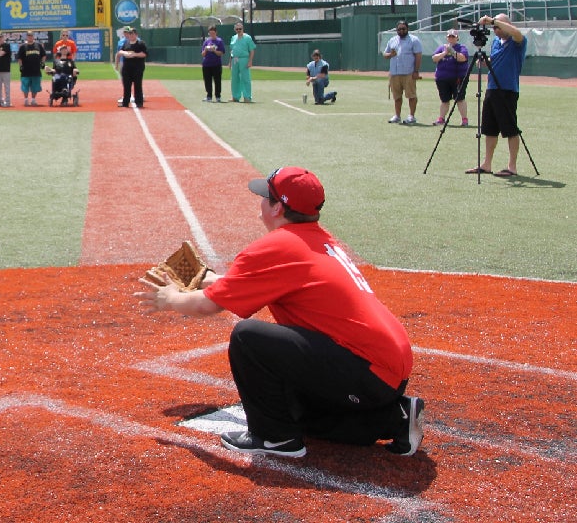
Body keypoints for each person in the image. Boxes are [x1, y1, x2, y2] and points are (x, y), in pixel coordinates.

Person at [136, 166, 423, 460]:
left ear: (277, 208)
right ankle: (395, 417)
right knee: (290, 408)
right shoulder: (318, 240)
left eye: (266, 198)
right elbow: (243, 284)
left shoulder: (277, 246)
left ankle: (276, 439)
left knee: (248, 338)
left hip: (366, 370)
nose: (261, 203)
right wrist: (205, 278)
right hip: (382, 369)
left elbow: (206, 305)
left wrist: (169, 299)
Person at [466, 14, 527, 178]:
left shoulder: (517, 41)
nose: (496, 30)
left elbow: (516, 33)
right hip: (492, 88)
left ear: (505, 24)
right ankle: (486, 164)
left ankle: (512, 166)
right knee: (489, 128)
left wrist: (493, 21)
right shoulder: (495, 42)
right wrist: (486, 62)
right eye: (494, 28)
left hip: (508, 90)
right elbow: (495, 58)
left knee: (510, 129)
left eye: (498, 27)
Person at [383, 20, 423, 124]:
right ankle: (397, 116)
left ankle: (411, 116)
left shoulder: (414, 40)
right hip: (394, 73)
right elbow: (385, 55)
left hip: (408, 73)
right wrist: (390, 54)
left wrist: (416, 71)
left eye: (403, 28)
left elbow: (418, 56)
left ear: (407, 29)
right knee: (397, 96)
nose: (401, 31)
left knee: (411, 95)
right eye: (399, 29)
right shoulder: (392, 40)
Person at [432, 29, 469, 126]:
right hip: (442, 78)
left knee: (460, 98)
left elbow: (463, 58)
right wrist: (444, 53)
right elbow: (434, 58)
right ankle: (441, 118)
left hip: (457, 78)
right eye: (449, 36)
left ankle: (464, 119)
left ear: (457, 38)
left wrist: (453, 52)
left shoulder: (461, 48)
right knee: (444, 100)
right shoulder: (441, 48)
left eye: (453, 36)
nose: (451, 38)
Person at [116, 27, 148, 108]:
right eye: (130, 34)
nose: (131, 35)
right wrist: (125, 53)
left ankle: (139, 103)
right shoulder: (126, 43)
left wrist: (135, 54)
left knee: (137, 85)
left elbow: (144, 54)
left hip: (137, 68)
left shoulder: (140, 43)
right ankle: (125, 102)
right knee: (127, 85)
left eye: (133, 33)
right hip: (127, 68)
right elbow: (120, 52)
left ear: (136, 35)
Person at [16, 31, 47, 106]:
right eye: (29, 35)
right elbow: (19, 58)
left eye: (31, 35)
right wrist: (20, 66)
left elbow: (44, 55)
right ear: (27, 37)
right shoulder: (23, 46)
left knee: (35, 86)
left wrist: (42, 62)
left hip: (36, 69)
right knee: (25, 85)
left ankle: (33, 99)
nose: (30, 37)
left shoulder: (38, 45)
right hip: (26, 70)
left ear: (34, 36)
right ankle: (26, 99)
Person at [228, 22, 256, 103]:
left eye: (240, 29)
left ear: (242, 29)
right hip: (235, 60)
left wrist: (250, 61)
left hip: (244, 59)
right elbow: (232, 51)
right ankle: (235, 97)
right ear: (234, 30)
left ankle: (247, 97)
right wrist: (230, 61)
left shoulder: (247, 38)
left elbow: (252, 50)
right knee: (234, 79)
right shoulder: (233, 38)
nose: (238, 30)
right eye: (237, 29)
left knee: (245, 78)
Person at [200, 26, 225, 102]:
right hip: (206, 64)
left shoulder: (219, 41)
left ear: (216, 32)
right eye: (210, 33)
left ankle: (218, 96)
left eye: (213, 33)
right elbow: (203, 54)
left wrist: (214, 50)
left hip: (216, 64)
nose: (212, 34)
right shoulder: (206, 41)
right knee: (207, 81)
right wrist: (206, 50)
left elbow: (221, 53)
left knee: (217, 81)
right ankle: (209, 96)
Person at [0, 32, 13, 107]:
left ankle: (7, 102)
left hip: (6, 69)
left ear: (4, 38)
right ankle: (0, 100)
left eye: (1, 37)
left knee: (6, 87)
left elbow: (0, 54)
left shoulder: (6, 45)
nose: (0, 39)